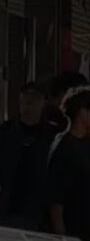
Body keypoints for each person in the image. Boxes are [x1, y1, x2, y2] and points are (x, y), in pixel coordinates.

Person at [0, 82, 52, 231]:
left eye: (34, 100)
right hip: (9, 203)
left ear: (43, 103)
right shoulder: (6, 131)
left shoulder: (51, 134)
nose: (29, 105)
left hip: (39, 208)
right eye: (26, 101)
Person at [48, 86, 90, 239]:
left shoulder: (85, 143)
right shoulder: (64, 147)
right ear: (81, 112)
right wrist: (62, 234)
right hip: (75, 230)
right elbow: (56, 197)